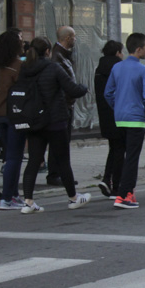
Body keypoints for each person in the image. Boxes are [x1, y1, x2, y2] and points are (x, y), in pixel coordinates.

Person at [16, 37, 91, 213]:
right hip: (55, 120)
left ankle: (28, 201)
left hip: (34, 120)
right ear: (48, 51)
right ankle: (73, 197)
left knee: (34, 161)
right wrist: (84, 88)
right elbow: (71, 89)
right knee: (62, 160)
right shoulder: (53, 67)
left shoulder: (25, 69)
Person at [104, 33, 145, 209]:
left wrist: (117, 107)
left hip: (120, 118)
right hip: (136, 119)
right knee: (132, 159)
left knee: (120, 154)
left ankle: (126, 192)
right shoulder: (143, 70)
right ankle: (124, 195)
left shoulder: (117, 68)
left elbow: (108, 93)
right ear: (139, 49)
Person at [0, 29, 27, 210]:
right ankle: (8, 197)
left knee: (10, 155)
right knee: (15, 157)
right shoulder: (18, 65)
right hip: (12, 113)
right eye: (20, 41)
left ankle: (13, 195)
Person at [46, 26, 78, 187]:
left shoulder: (63, 55)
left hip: (66, 104)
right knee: (59, 141)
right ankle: (55, 173)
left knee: (63, 141)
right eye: (74, 37)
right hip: (61, 105)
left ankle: (61, 173)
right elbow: (60, 81)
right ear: (67, 38)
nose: (75, 40)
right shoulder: (58, 56)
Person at [94, 40, 124, 198]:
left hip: (104, 113)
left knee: (114, 147)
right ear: (118, 52)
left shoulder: (99, 68)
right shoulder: (118, 67)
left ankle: (107, 179)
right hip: (118, 112)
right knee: (120, 149)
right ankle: (116, 185)